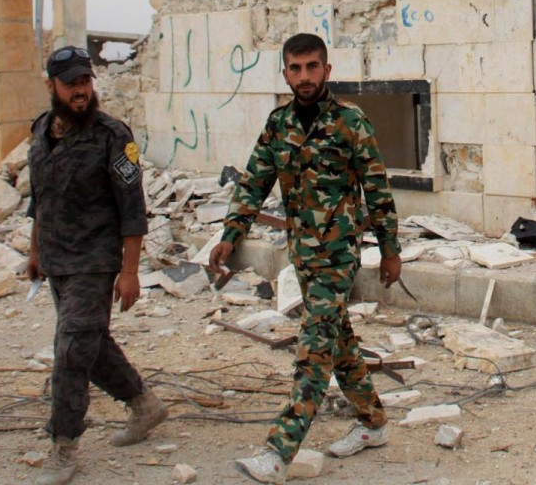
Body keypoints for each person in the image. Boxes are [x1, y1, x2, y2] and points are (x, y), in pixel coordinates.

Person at [208, 33, 402, 484]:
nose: (304, 76)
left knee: (314, 348)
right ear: (285, 74)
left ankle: (278, 451)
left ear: (327, 71)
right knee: (337, 342)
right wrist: (230, 235)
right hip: (302, 254)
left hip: (338, 255)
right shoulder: (278, 125)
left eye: (312, 67)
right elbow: (254, 183)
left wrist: (391, 250)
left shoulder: (351, 122)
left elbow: (377, 190)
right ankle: (373, 423)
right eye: (295, 69)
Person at [26, 45, 167, 485]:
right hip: (56, 259)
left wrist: (129, 272)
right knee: (90, 344)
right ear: (52, 87)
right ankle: (144, 405)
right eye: (71, 84)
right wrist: (34, 251)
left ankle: (63, 447)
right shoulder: (40, 130)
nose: (81, 91)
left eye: (85, 81)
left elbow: (133, 210)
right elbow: (40, 199)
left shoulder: (112, 136)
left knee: (70, 352)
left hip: (95, 260)